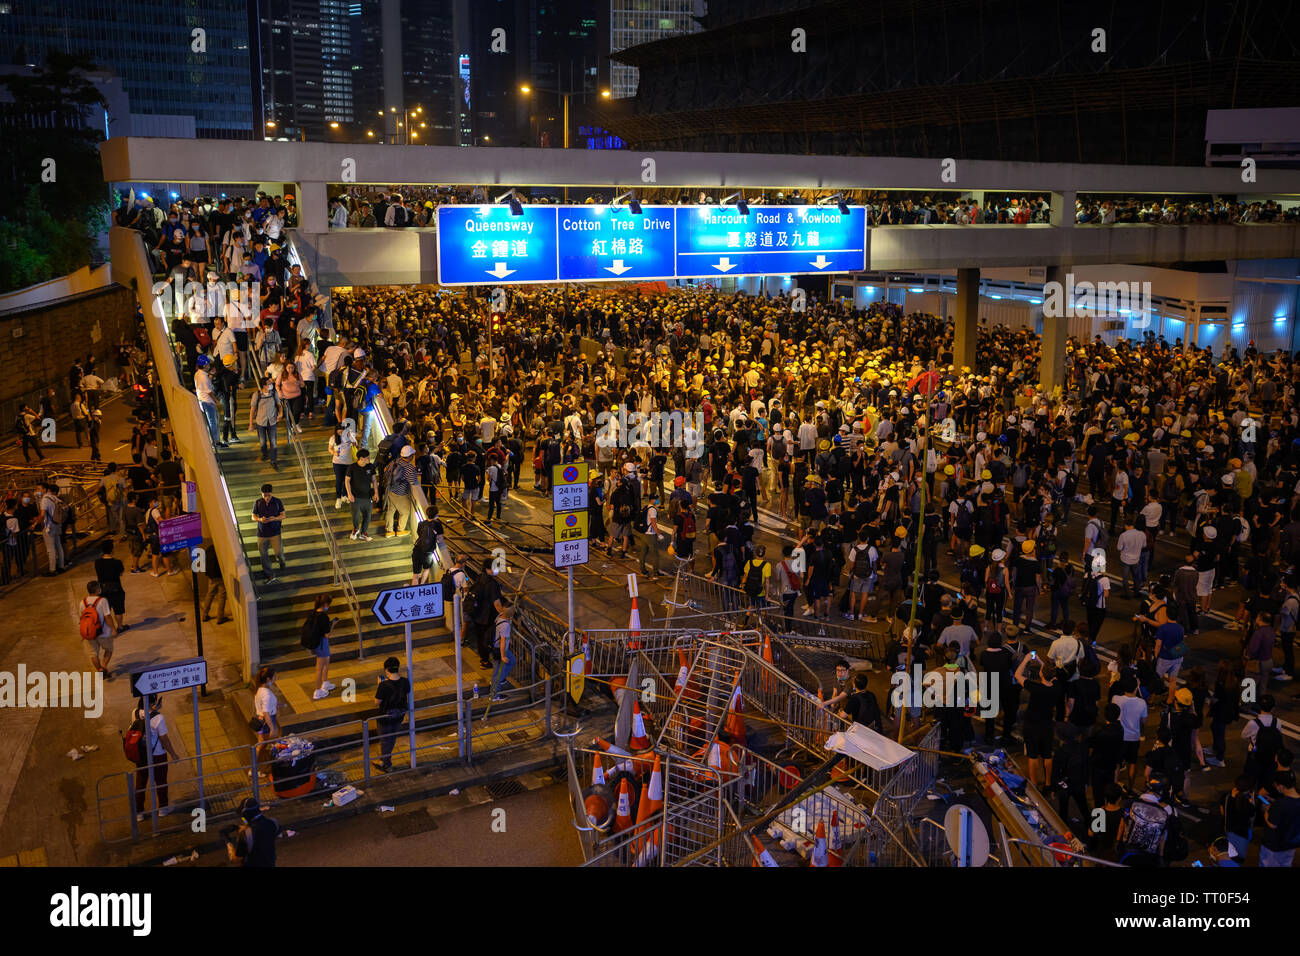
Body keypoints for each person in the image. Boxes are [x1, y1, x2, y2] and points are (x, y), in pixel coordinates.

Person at [1014, 651, 1060, 789]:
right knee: (1047, 754)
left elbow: (1018, 675)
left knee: (1032, 755)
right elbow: (1051, 674)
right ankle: (1048, 783)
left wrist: (1026, 659)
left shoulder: (1035, 688)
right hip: (1047, 725)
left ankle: (1033, 782)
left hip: (1032, 726)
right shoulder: (1057, 687)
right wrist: (1041, 663)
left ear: (1041, 674)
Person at [133, 695, 181, 820]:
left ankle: (139, 812)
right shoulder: (159, 718)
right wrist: (174, 754)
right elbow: (164, 739)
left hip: (141, 754)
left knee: (141, 782)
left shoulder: (135, 713)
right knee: (160, 781)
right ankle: (163, 809)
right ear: (153, 702)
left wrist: (154, 709)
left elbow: (145, 717)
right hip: (158, 754)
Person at [1115, 772, 1179, 867]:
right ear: (1161, 791)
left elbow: (1122, 825)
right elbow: (1162, 839)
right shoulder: (1164, 814)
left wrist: (1117, 842)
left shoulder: (1130, 804)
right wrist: (1160, 857)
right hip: (1148, 857)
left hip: (1127, 853)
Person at [373, 656, 411, 772]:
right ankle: (385, 760)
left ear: (386, 669)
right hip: (399, 716)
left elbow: (376, 702)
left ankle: (386, 764)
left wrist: (380, 684)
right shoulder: (405, 681)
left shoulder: (383, 686)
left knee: (385, 740)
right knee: (392, 738)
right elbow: (406, 692)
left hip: (385, 717)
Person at [1257, 769, 1300, 867]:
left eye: (1276, 785)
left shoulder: (1280, 804)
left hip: (1274, 846)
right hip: (1291, 844)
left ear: (1281, 786)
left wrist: (1267, 810)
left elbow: (1272, 824)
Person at [79, 581, 118, 678]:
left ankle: (99, 669)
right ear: (97, 589)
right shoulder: (102, 601)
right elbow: (107, 617)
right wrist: (113, 629)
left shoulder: (82, 602)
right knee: (109, 650)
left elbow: (82, 618)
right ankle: (104, 667)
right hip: (103, 633)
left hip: (89, 633)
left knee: (93, 653)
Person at [227, 797, 280, 867]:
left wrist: (229, 844)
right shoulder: (273, 823)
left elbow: (237, 859)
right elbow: (262, 831)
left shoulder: (245, 834)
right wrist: (246, 828)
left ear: (246, 814)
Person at [302, 595, 336, 700]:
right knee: (319, 668)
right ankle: (317, 691)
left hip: (315, 643)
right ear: (325, 604)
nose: (329, 606)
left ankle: (325, 683)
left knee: (326, 662)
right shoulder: (324, 617)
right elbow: (327, 635)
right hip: (321, 643)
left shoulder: (312, 613)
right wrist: (333, 624)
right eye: (329, 604)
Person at [252, 483, 287, 583]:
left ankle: (282, 561)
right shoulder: (258, 502)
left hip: (275, 532)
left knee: (278, 552)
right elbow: (253, 516)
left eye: (268, 495)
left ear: (271, 493)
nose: (267, 497)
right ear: (262, 494)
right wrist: (259, 519)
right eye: (265, 495)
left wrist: (275, 518)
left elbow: (283, 515)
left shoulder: (277, 502)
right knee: (263, 555)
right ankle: (269, 574)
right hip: (262, 533)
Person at [94, 540, 129, 635]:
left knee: (106, 611)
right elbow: (120, 573)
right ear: (112, 550)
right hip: (116, 588)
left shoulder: (97, 562)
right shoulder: (117, 562)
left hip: (103, 589)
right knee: (118, 609)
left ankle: (110, 629)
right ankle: (120, 627)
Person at [249, 374, 283, 470]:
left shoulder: (273, 393)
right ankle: (264, 453)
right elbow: (252, 409)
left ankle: (273, 461)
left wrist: (280, 413)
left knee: (273, 442)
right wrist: (251, 424)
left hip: (272, 421)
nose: (271, 384)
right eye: (269, 383)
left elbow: (279, 405)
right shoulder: (257, 395)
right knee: (263, 442)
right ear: (264, 385)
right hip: (261, 422)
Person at [345, 448, 379, 541]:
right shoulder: (352, 467)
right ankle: (356, 529)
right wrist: (349, 494)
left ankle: (363, 532)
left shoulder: (370, 467)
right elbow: (347, 480)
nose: (369, 459)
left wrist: (376, 492)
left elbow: (374, 480)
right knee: (355, 516)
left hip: (368, 496)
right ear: (361, 458)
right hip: (355, 497)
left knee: (367, 516)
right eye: (367, 457)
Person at [251, 666, 279, 775]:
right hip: (267, 722)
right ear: (268, 679)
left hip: (261, 721)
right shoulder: (266, 694)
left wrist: (276, 705)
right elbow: (266, 712)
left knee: (261, 746)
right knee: (275, 745)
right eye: (274, 677)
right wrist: (272, 728)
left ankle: (254, 770)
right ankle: (276, 769)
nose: (275, 679)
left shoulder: (260, 690)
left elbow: (264, 706)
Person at [489, 601, 516, 702]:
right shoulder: (506, 625)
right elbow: (503, 642)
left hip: (496, 648)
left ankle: (499, 680)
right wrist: (503, 656)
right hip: (499, 650)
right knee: (498, 672)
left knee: (512, 661)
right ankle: (494, 696)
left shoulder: (500, 616)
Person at [201, 542, 230, 624]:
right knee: (222, 596)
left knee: (210, 594)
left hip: (211, 576)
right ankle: (220, 617)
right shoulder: (221, 550)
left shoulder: (209, 549)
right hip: (220, 576)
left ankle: (205, 615)